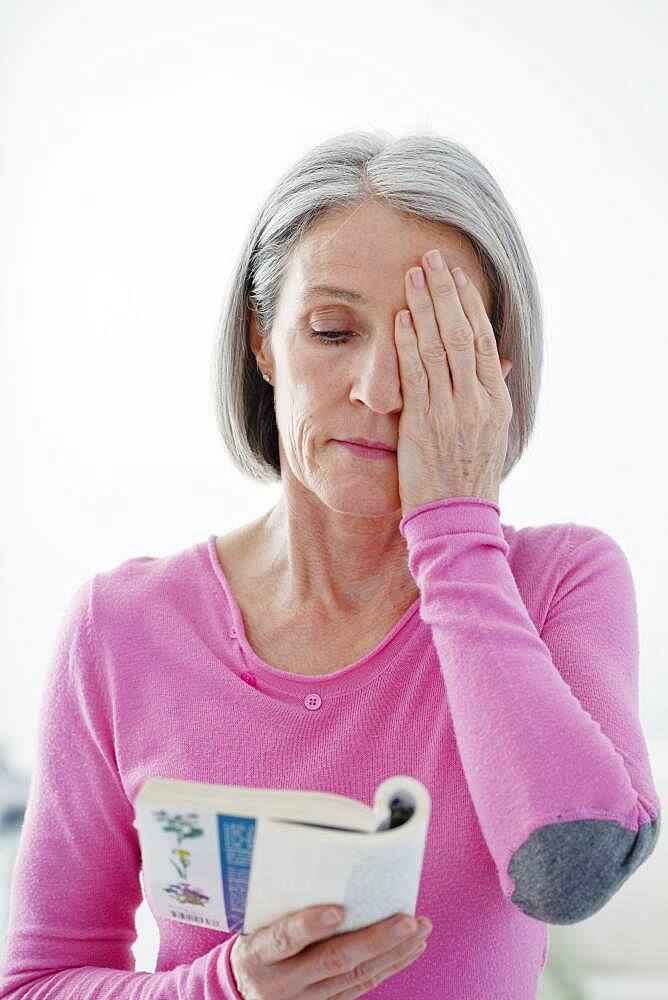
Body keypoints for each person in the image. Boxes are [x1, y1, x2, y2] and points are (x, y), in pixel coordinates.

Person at [0, 130, 661, 999]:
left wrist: (457, 529)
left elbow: (569, 874)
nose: (381, 390)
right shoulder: (119, 629)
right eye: (331, 330)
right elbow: (37, 983)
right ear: (263, 343)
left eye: (432, 344)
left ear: (492, 373)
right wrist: (225, 987)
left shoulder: (563, 582)